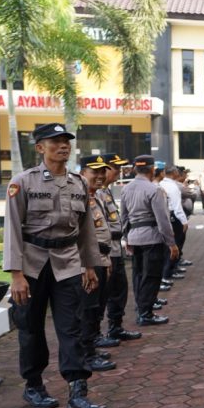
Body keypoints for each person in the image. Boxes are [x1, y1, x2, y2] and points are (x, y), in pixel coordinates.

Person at [3, 123, 107, 408]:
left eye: (66, 141)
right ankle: (33, 384)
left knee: (71, 327)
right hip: (33, 264)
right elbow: (11, 228)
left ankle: (78, 394)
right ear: (40, 148)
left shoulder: (78, 184)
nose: (63, 146)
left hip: (67, 262)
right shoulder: (23, 182)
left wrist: (90, 265)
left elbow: (86, 229)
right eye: (55, 142)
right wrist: (16, 274)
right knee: (31, 327)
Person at [120, 155, 177, 325]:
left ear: (135, 169)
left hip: (134, 236)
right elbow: (163, 220)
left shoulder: (126, 188)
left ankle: (141, 307)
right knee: (151, 276)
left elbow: (123, 217)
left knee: (138, 275)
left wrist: (125, 237)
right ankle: (146, 313)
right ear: (152, 169)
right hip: (152, 237)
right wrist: (171, 243)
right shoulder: (154, 190)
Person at [77, 155, 118, 373]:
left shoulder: (95, 196)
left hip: (101, 258)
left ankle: (91, 347)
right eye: (95, 172)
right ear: (83, 172)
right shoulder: (79, 196)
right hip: (88, 262)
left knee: (96, 306)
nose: (100, 176)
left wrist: (107, 258)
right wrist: (86, 265)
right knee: (88, 308)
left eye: (103, 171)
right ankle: (86, 354)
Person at [100, 154, 142, 342]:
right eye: (114, 167)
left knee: (120, 291)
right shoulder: (96, 192)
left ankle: (116, 327)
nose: (117, 172)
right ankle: (95, 336)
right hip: (105, 251)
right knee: (103, 295)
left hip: (116, 248)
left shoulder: (106, 191)